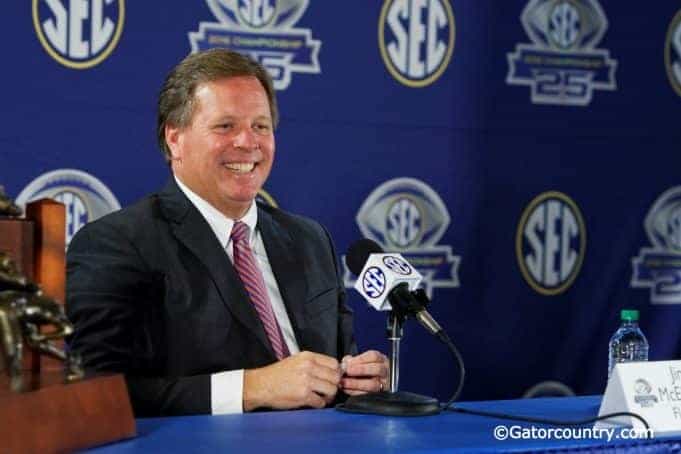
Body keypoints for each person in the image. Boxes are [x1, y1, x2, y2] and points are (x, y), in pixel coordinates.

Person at [66, 48, 388, 416]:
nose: (247, 143)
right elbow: (92, 392)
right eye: (225, 126)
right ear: (175, 139)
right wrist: (250, 388)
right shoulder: (116, 243)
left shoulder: (311, 240)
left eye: (260, 126)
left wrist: (361, 381)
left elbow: (338, 370)